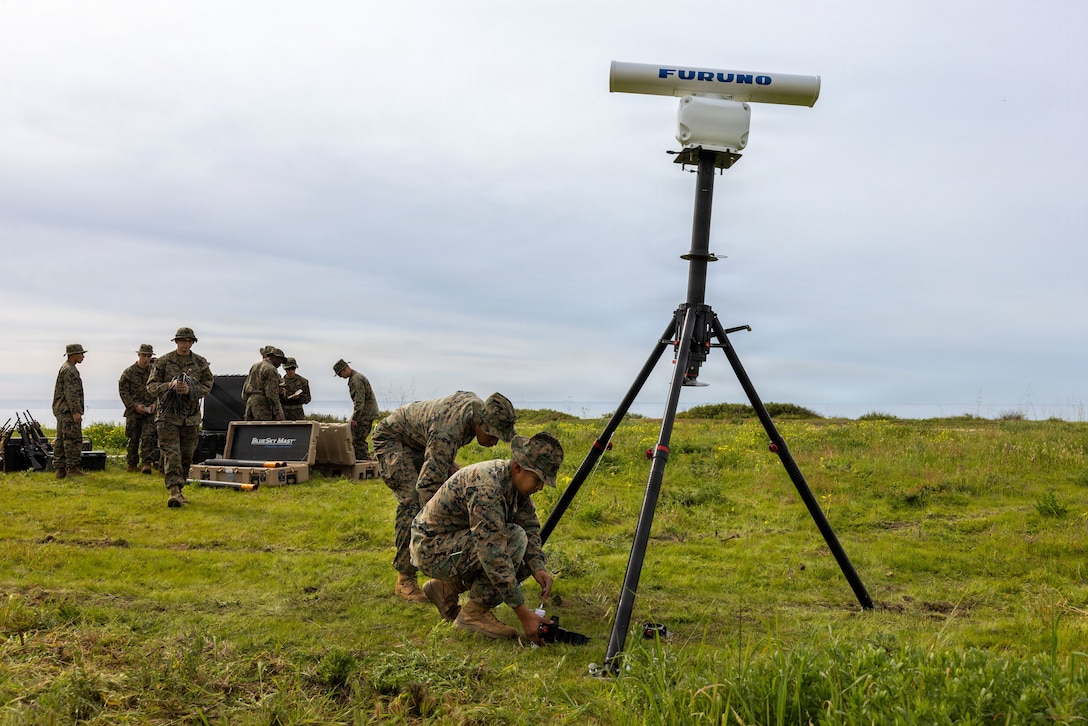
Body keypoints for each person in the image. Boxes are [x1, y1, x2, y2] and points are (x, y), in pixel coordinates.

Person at [410, 431, 563, 643]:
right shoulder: (487, 487)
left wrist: (538, 568)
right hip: (430, 549)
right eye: (537, 479)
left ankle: (446, 588)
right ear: (518, 467)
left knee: (525, 550)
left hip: (451, 544)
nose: (540, 487)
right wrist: (523, 614)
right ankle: (474, 614)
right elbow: (493, 555)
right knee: (513, 540)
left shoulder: (515, 484)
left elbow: (529, 526)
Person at [373, 391, 517, 603]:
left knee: (455, 480)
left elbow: (439, 449)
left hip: (423, 440)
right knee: (412, 501)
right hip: (393, 440)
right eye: (493, 435)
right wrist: (437, 530)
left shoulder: (471, 414)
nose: (495, 442)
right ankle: (405, 578)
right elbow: (428, 486)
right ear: (479, 422)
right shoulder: (448, 432)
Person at [147, 327, 214, 508]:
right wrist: (169, 386)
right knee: (172, 453)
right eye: (183, 340)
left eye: (189, 341)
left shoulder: (200, 363)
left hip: (190, 417)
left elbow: (208, 384)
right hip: (167, 416)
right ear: (176, 342)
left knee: (186, 454)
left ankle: (180, 488)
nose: (186, 344)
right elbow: (151, 386)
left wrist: (192, 389)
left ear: (192, 343)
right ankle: (174, 490)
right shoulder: (163, 362)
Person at [118, 344, 159, 474]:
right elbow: (123, 391)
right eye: (144, 355)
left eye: (148, 356)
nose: (146, 358)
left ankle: (147, 464)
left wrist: (155, 404)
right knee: (133, 439)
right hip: (133, 411)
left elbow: (159, 389)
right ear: (139, 355)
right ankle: (132, 464)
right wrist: (134, 406)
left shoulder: (154, 372)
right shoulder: (129, 372)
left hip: (150, 411)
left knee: (148, 437)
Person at [52, 343, 87, 479]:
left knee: (61, 439)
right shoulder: (70, 370)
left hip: (62, 410)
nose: (83, 356)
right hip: (67, 411)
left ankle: (60, 470)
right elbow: (71, 393)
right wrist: (76, 412)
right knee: (72, 439)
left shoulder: (67, 368)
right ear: (73, 355)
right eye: (81, 354)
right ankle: (72, 468)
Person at [333, 358, 378, 461]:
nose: (340, 377)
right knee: (357, 440)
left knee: (358, 442)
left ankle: (367, 465)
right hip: (367, 414)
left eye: (340, 374)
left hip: (364, 415)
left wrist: (354, 419)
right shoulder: (356, 377)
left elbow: (359, 402)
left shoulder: (355, 380)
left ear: (344, 370)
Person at [243, 346, 287, 421]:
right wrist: (277, 412)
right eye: (280, 360)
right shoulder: (271, 369)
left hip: (250, 402)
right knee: (264, 430)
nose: (280, 364)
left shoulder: (255, 366)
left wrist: (248, 400)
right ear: (274, 357)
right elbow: (271, 393)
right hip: (262, 404)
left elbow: (246, 386)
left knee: (249, 430)